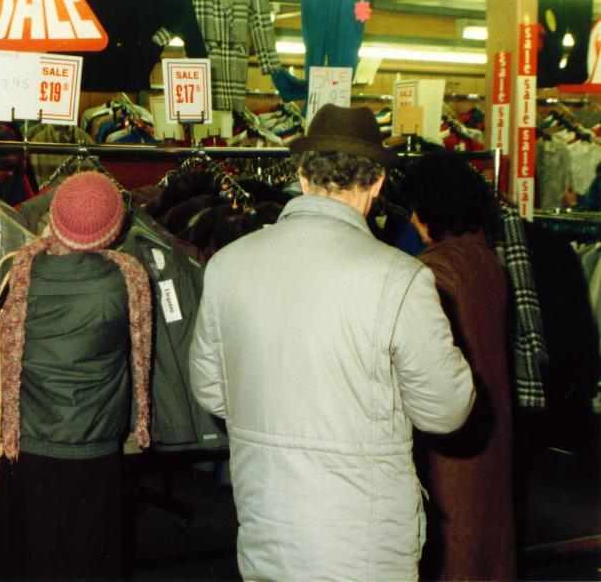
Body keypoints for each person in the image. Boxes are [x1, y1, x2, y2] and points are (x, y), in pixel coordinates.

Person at [189, 104, 475, 580]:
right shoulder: (400, 278)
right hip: (363, 538)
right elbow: (445, 410)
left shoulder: (227, 265)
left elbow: (211, 391)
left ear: (301, 176)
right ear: (378, 183)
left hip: (265, 520)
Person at [0, 172, 153, 579]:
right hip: (95, 443)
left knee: (25, 553)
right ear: (113, 230)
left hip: (28, 439)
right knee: (88, 555)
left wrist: (37, 246)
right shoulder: (126, 280)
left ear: (53, 219)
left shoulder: (18, 276)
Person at [403, 151, 516, 580]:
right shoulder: (483, 260)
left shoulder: (431, 271)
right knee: (487, 542)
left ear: (423, 209)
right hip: (489, 433)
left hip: (447, 443)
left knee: (452, 550)